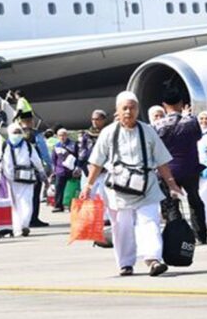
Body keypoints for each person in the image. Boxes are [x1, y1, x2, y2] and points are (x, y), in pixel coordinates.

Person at [81, 91, 182, 277]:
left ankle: (153, 259)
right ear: (118, 111)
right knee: (121, 226)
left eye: (132, 107)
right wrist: (88, 185)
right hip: (117, 189)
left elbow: (161, 161)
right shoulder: (108, 133)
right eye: (124, 108)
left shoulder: (148, 131)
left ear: (138, 110)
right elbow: (96, 162)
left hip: (147, 186)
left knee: (150, 221)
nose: (128, 112)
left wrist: (172, 184)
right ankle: (126, 263)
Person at [155, 87, 207, 245]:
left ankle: (177, 234)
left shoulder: (157, 125)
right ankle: (201, 235)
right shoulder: (191, 122)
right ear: (181, 103)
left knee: (171, 204)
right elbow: (198, 137)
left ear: (164, 104)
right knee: (194, 200)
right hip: (189, 167)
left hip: (167, 170)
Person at [0, 124, 46, 237]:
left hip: (26, 179)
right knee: (12, 205)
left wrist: (42, 173)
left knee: (26, 203)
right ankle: (16, 227)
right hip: (10, 180)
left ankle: (24, 225)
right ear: (9, 133)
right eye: (14, 132)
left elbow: (36, 160)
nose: (17, 135)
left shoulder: (28, 146)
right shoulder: (3, 145)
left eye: (19, 132)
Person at [18, 113, 52, 227]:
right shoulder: (36, 134)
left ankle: (22, 219)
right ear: (31, 121)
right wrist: (49, 165)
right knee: (34, 195)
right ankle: (33, 219)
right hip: (34, 170)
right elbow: (44, 152)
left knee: (22, 196)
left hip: (19, 170)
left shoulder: (16, 135)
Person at [78, 110, 109, 216]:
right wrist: (83, 166)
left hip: (105, 170)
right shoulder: (86, 134)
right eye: (93, 119)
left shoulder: (108, 133)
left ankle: (105, 217)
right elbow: (82, 151)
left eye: (97, 119)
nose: (94, 121)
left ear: (103, 120)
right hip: (89, 169)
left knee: (104, 195)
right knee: (88, 194)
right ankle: (91, 217)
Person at [51, 128, 78, 212]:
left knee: (72, 188)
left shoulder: (73, 145)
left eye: (64, 135)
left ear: (67, 135)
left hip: (72, 170)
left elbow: (78, 156)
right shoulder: (56, 146)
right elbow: (54, 159)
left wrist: (77, 168)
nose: (62, 137)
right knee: (59, 188)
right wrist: (54, 170)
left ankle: (71, 205)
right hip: (60, 170)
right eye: (60, 135)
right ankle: (58, 205)